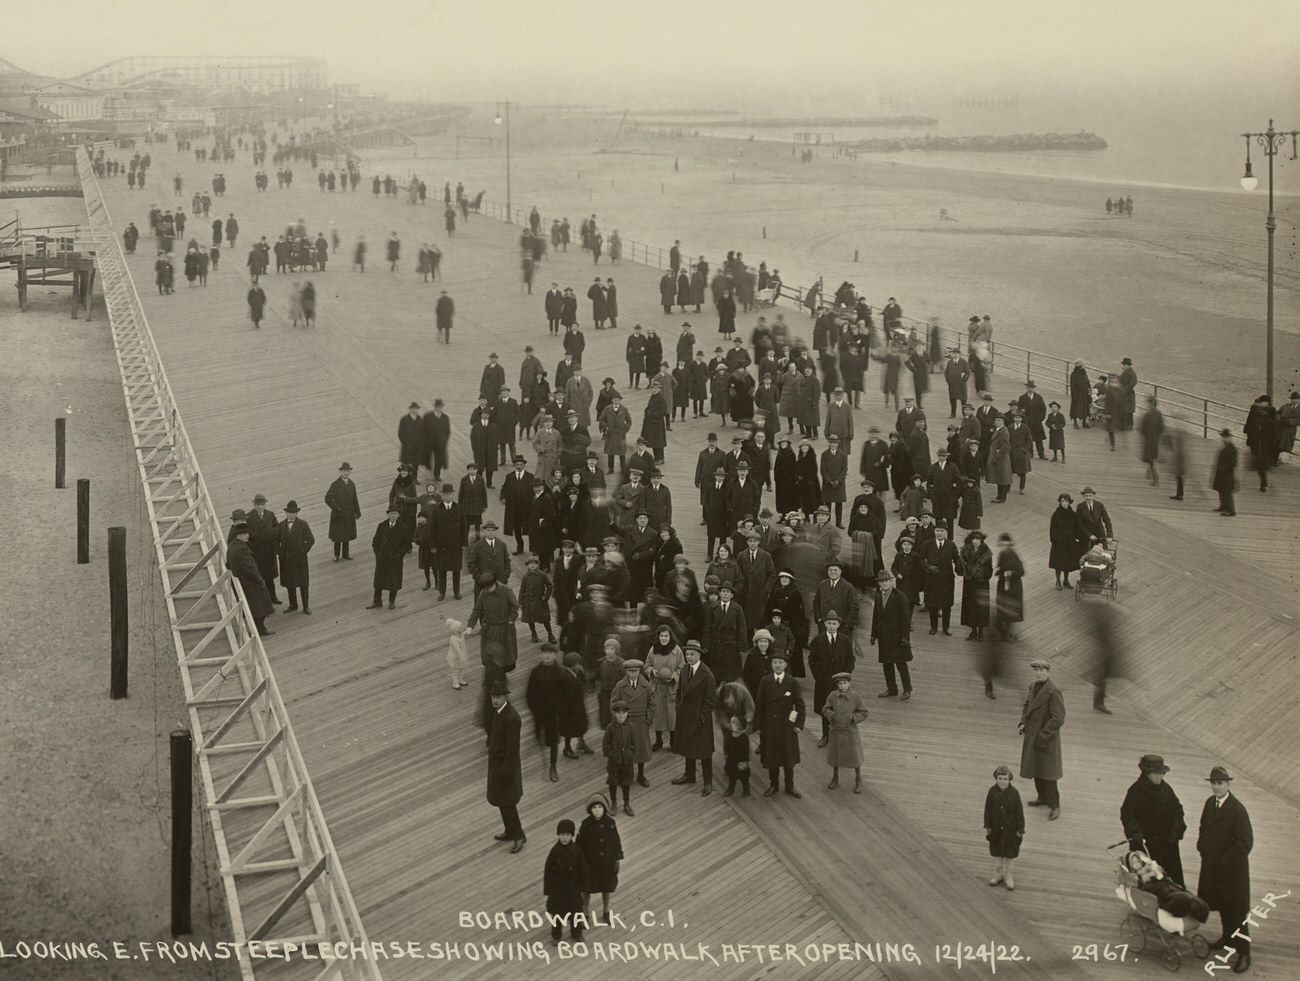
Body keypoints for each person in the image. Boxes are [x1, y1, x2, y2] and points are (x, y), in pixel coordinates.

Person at [1197, 766, 1255, 970]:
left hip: (1232, 873)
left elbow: (1245, 843)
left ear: (1228, 784)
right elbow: (1204, 826)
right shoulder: (1209, 803)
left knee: (1237, 911)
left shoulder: (1237, 809)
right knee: (1222, 904)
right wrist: (1201, 845)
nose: (1216, 787)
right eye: (1213, 783)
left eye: (1220, 783)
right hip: (1213, 868)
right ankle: (1227, 938)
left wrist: (1224, 861)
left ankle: (1244, 953)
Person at [1121, 754, 1187, 886]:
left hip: (1168, 842)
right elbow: (1127, 814)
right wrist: (1136, 833)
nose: (1159, 777)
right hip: (1146, 844)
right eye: (1155, 774)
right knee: (1149, 878)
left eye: (1162, 773)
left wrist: (1175, 831)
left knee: (1173, 877)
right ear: (1146, 774)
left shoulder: (1166, 789)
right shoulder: (1136, 790)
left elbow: (1178, 811)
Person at [752, 650, 805, 798]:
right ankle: (773, 785)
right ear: (771, 664)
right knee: (772, 758)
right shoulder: (765, 681)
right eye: (775, 662)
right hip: (770, 727)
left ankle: (790, 786)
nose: (777, 665)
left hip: (787, 727)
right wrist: (759, 726)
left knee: (788, 759)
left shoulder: (791, 682)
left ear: (786, 665)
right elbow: (759, 705)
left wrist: (798, 725)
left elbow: (800, 705)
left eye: (780, 663)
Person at [1018, 659, 1064, 820]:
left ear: (1048, 672)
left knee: (1049, 774)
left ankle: (1055, 805)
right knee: (1036, 769)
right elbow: (1026, 706)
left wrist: (1043, 735)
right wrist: (1023, 722)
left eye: (1041, 670)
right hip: (1033, 735)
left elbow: (1058, 718)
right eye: (1036, 670)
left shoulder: (1054, 691)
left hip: (1046, 739)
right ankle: (1042, 797)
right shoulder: (1032, 687)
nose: (1038, 673)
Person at [671, 638, 716, 794]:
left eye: (692, 654)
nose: (689, 657)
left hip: (700, 720)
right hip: (685, 716)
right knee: (687, 746)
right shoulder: (684, 670)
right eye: (687, 654)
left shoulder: (707, 675)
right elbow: (679, 692)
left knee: (704, 752)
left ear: (699, 655)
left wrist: (702, 717)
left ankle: (708, 782)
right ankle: (689, 775)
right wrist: (678, 707)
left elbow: (710, 702)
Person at [486, 679, 526, 853]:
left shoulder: (511, 718)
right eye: (493, 697)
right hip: (499, 766)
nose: (495, 700)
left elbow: (512, 748)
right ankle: (510, 831)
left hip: (505, 768)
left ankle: (519, 835)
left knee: (508, 803)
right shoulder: (500, 712)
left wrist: (506, 771)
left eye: (498, 697)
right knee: (503, 802)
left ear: (505, 697)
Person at [809, 610, 855, 747]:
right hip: (823, 681)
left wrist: (845, 677)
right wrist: (818, 676)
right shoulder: (818, 640)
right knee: (826, 708)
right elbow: (812, 660)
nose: (831, 626)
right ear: (824, 624)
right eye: (829, 623)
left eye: (834, 623)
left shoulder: (845, 641)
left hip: (839, 683)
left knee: (840, 709)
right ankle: (825, 735)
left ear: (838, 625)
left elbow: (850, 659)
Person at [577, 793, 622, 927]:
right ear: (590, 810)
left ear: (604, 809)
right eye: (594, 807)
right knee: (587, 890)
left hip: (607, 863)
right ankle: (585, 913)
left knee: (607, 887)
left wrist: (617, 859)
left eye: (600, 807)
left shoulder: (610, 823)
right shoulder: (585, 826)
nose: (597, 810)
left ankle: (606, 911)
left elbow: (615, 842)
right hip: (590, 865)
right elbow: (579, 846)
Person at [1123, 851, 1209, 921]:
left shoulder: (1148, 868)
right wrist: (1149, 874)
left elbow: (1162, 874)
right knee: (1180, 897)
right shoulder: (1136, 875)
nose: (1137, 863)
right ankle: (1188, 907)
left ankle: (1198, 908)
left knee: (1185, 894)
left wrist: (1157, 870)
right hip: (1158, 890)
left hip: (1165, 884)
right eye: (1133, 862)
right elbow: (1141, 881)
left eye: (1138, 861)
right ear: (1130, 866)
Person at [610, 659, 654, 789]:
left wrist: (648, 720)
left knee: (641, 750)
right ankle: (625, 775)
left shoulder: (646, 686)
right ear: (626, 672)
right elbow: (613, 705)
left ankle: (641, 774)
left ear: (640, 671)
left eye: (636, 671)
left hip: (641, 723)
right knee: (625, 750)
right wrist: (618, 719)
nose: (633, 674)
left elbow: (652, 704)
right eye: (630, 671)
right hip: (625, 722)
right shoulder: (619, 686)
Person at [225, 521, 275, 637]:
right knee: (259, 607)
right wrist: (259, 580)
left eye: (247, 533)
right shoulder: (241, 549)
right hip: (250, 583)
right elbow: (249, 568)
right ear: (238, 535)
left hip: (243, 582)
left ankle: (259, 629)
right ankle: (260, 630)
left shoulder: (232, 546)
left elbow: (228, 565)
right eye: (244, 534)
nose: (247, 536)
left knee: (255, 607)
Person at [870, 571, 913, 700]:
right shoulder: (878, 596)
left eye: (886, 581)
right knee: (887, 663)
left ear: (891, 581)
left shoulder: (900, 596)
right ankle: (892, 688)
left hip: (897, 637)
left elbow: (906, 619)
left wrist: (905, 637)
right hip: (883, 636)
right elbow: (876, 617)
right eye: (881, 582)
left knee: (901, 664)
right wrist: (873, 635)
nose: (884, 583)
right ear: (878, 583)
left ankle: (907, 689)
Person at [526, 643, 565, 782]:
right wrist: (533, 708)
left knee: (553, 740)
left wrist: (560, 710)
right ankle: (540, 747)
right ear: (541, 654)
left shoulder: (560, 672)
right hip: (538, 712)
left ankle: (552, 766)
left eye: (550, 653)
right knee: (538, 733)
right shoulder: (535, 672)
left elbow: (565, 694)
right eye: (545, 653)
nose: (547, 655)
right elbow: (529, 693)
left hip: (554, 713)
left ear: (555, 655)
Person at [540, 825, 588, 941]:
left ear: (572, 836)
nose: (564, 838)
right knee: (557, 914)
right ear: (558, 835)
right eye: (562, 835)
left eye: (567, 835)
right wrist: (549, 890)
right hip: (558, 890)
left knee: (576, 913)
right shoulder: (555, 851)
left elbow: (583, 869)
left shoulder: (576, 850)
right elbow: (548, 872)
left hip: (574, 889)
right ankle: (556, 935)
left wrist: (584, 887)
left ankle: (577, 933)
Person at [821, 672, 867, 792]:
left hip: (850, 732)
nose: (842, 686)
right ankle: (835, 776)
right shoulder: (832, 696)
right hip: (836, 731)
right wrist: (832, 715)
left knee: (855, 757)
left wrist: (854, 718)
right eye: (840, 684)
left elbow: (864, 712)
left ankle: (858, 778)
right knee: (835, 756)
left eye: (845, 683)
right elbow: (825, 709)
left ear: (849, 683)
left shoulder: (855, 697)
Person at [984, 765, 1025, 890]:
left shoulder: (1014, 793)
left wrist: (1020, 829)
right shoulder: (992, 792)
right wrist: (988, 826)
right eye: (1000, 778)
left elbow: (1019, 813)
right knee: (996, 852)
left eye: (1005, 779)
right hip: (996, 830)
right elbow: (988, 810)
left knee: (1010, 854)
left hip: (1011, 831)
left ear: (1009, 779)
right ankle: (999, 874)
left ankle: (1009, 876)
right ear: (996, 779)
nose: (1002, 781)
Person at [276, 500, 314, 614]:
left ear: (297, 513)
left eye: (293, 513)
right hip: (286, 560)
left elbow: (310, 540)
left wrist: (302, 552)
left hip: (300, 560)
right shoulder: (281, 525)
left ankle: (306, 606)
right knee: (289, 584)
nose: (291, 515)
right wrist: (280, 553)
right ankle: (293, 604)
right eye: (289, 512)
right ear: (286, 513)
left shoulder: (303, 525)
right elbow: (275, 541)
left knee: (303, 584)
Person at [367, 505, 405, 610]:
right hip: (382, 558)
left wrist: (399, 555)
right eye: (391, 513)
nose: (393, 516)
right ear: (388, 514)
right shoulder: (382, 525)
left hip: (395, 559)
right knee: (379, 581)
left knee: (394, 581)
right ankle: (377, 601)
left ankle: (391, 601)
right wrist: (377, 554)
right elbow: (375, 541)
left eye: (395, 513)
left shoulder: (403, 527)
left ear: (398, 515)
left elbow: (407, 544)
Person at [603, 700, 637, 816]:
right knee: (613, 782)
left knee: (626, 782)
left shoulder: (631, 727)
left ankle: (626, 804)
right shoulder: (610, 728)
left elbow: (634, 743)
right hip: (614, 761)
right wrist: (611, 754)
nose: (621, 715)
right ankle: (613, 803)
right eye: (619, 713)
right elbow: (606, 743)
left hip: (627, 760)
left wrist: (631, 754)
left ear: (627, 714)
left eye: (624, 713)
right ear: (615, 714)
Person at [430, 485, 464, 600]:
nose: (447, 496)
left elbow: (465, 527)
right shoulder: (436, 510)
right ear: (442, 495)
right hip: (441, 546)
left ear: (452, 495)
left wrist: (464, 544)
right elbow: (432, 529)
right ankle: (442, 593)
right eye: (445, 494)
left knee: (456, 571)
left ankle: (456, 592)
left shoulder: (459, 509)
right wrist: (433, 546)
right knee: (442, 570)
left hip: (456, 546)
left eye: (449, 494)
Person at [993, 533, 1024, 641]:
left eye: (1005, 544)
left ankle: (1009, 633)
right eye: (1002, 544)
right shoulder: (1003, 554)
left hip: (1012, 587)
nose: (1003, 546)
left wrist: (1009, 573)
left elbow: (1021, 571)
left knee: (1009, 610)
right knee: (1005, 610)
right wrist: (999, 572)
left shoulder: (1012, 555)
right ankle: (1007, 632)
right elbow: (1001, 567)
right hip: (1004, 586)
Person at [1049, 494, 1083, 590]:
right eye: (1063, 501)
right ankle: (1058, 581)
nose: (1065, 503)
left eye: (1067, 501)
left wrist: (1076, 537)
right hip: (1059, 543)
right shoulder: (1056, 515)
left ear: (1069, 502)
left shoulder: (1072, 514)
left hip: (1070, 542)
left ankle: (1066, 580)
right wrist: (1055, 540)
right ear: (1060, 502)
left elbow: (1077, 526)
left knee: (1068, 562)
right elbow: (1053, 529)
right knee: (1058, 563)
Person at [519, 554, 555, 644]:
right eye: (530, 564)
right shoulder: (525, 576)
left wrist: (545, 596)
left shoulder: (542, 575)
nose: (532, 565)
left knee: (545, 619)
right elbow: (522, 589)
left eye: (534, 563)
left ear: (538, 564)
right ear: (528, 565)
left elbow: (549, 586)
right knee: (530, 619)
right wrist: (520, 602)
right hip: (528, 601)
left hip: (540, 601)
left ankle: (550, 634)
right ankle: (533, 633)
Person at [1211, 429, 1238, 516]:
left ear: (1228, 437)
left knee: (1227, 491)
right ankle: (1223, 506)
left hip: (1227, 474)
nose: (1222, 439)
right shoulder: (1226, 446)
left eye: (1224, 437)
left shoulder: (1231, 448)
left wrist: (1223, 468)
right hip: (1222, 473)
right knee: (1221, 490)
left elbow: (1233, 462)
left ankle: (1231, 510)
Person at [444, 617, 468, 690]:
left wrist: (468, 631)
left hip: (460, 656)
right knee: (455, 670)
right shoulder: (453, 640)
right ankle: (455, 683)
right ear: (455, 630)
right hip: (455, 657)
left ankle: (460, 680)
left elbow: (463, 634)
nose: (462, 628)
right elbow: (457, 650)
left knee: (461, 669)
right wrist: (462, 657)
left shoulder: (459, 635)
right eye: (460, 628)